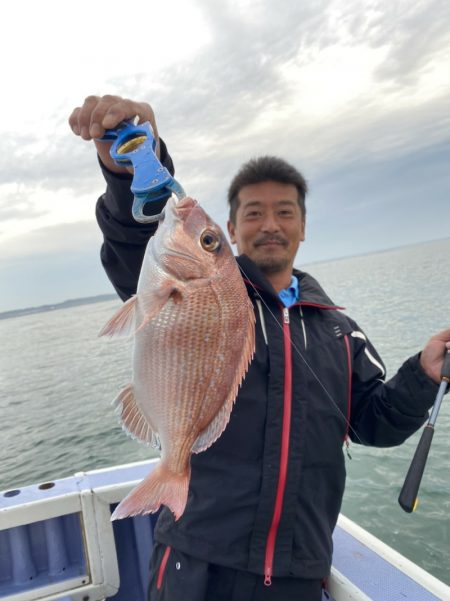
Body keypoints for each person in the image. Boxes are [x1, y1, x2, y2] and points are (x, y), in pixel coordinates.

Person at [70, 95, 450, 601]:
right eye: (253, 213)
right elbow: (136, 241)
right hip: (195, 560)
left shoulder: (341, 332)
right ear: (231, 230)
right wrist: (131, 169)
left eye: (285, 212)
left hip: (298, 572)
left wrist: (423, 374)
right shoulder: (206, 293)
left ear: (303, 227)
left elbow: (374, 422)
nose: (270, 224)